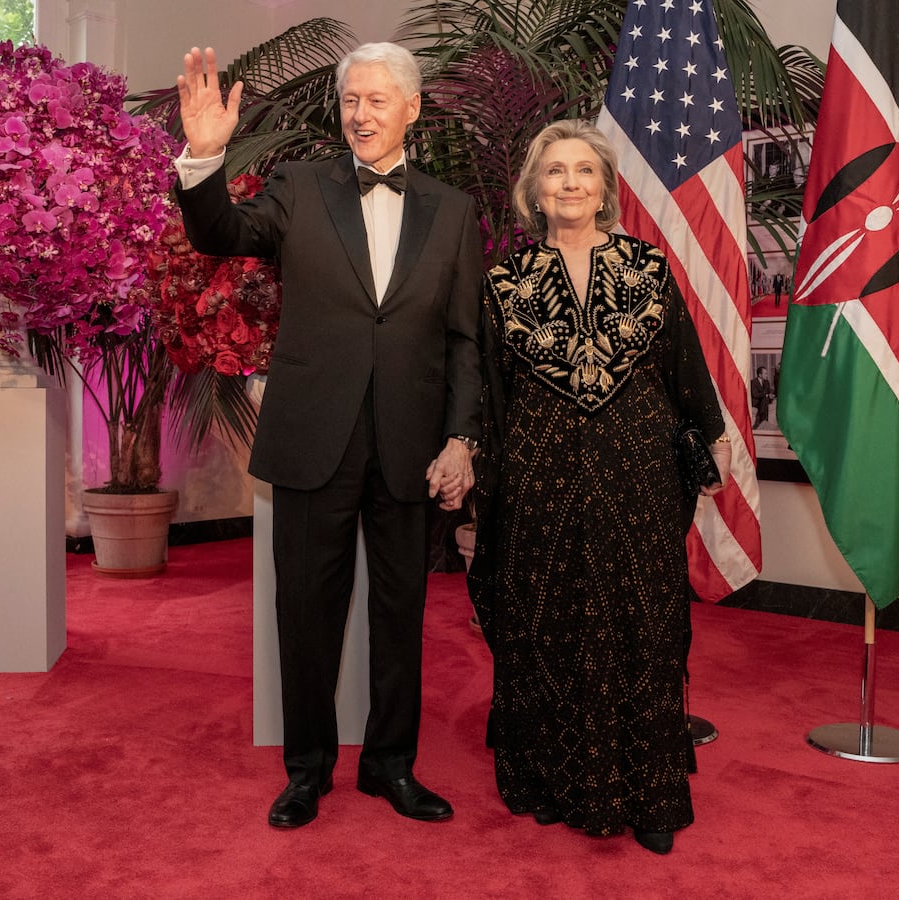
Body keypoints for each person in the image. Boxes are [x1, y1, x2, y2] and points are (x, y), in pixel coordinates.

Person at [173, 42, 483, 829]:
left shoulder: (452, 209)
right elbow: (222, 235)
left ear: (413, 109)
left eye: (379, 100)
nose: (361, 114)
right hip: (316, 436)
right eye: (351, 100)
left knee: (399, 613)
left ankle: (391, 767)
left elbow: (464, 340)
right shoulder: (301, 186)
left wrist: (460, 439)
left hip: (412, 444)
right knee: (305, 613)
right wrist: (204, 159)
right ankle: (305, 772)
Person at [466, 120, 730, 856]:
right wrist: (479, 475)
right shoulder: (504, 283)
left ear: (606, 189)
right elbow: (489, 390)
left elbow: (684, 365)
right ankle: (550, 781)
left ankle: (648, 793)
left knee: (641, 621)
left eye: (585, 171)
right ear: (534, 191)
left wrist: (715, 437)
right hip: (536, 475)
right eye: (555, 172)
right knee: (547, 620)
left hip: (636, 471)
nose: (571, 183)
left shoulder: (647, 268)